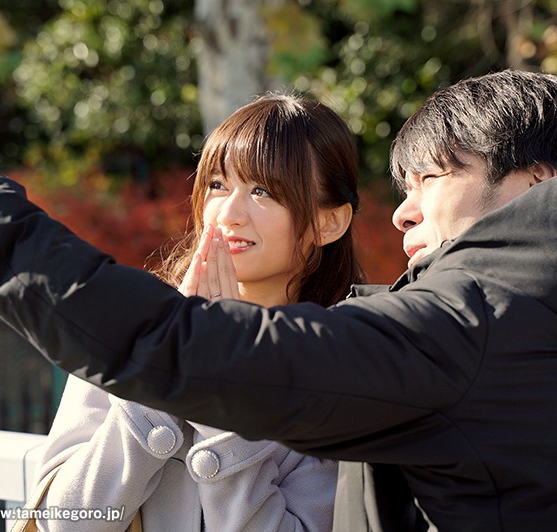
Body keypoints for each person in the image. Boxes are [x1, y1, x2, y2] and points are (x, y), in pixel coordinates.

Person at [0, 69, 557, 531]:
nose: (405, 212)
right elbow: (63, 519)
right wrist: (156, 405)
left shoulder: (393, 348)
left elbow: (177, 350)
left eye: (432, 178)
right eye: (217, 183)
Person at [32, 94, 363, 532]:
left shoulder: (344, 371)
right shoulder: (125, 329)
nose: (228, 213)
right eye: (218, 185)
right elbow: (64, 522)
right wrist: (170, 358)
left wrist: (219, 392)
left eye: (263, 191)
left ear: (329, 223)